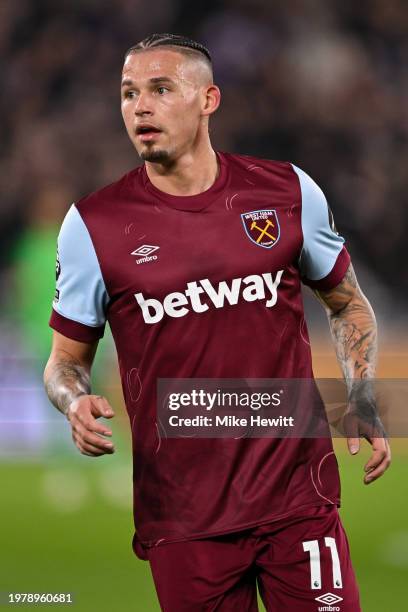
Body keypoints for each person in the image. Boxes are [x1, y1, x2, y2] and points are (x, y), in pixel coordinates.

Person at [44, 33, 391, 611]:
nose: (140, 107)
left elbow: (347, 301)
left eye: (160, 89)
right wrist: (72, 401)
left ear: (209, 99)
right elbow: (65, 364)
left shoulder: (286, 191)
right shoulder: (93, 226)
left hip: (296, 502)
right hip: (184, 518)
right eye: (128, 93)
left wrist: (361, 393)